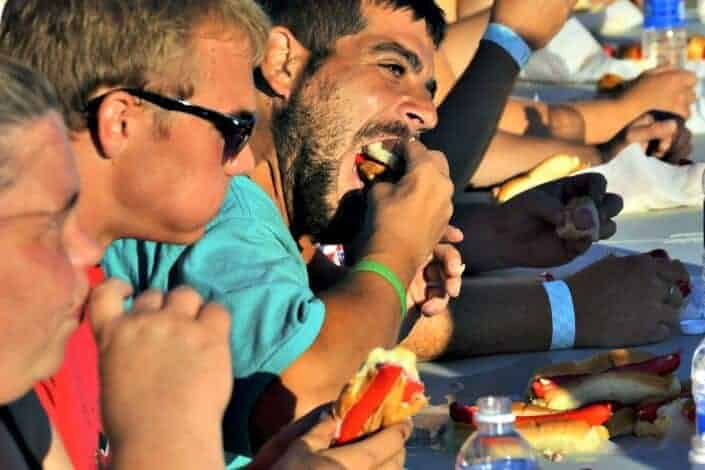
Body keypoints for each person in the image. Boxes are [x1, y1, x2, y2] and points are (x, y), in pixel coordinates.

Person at [2, 1, 411, 469]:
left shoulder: (76, 290)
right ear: (121, 121)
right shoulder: (25, 318)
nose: (245, 163)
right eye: (234, 130)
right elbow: (305, 383)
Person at [103, 0, 458, 465]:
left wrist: (382, 286)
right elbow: (304, 404)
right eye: (392, 68)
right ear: (283, 62)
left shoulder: (269, 219)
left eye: (428, 89)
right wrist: (391, 256)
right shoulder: (223, 202)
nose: (427, 113)